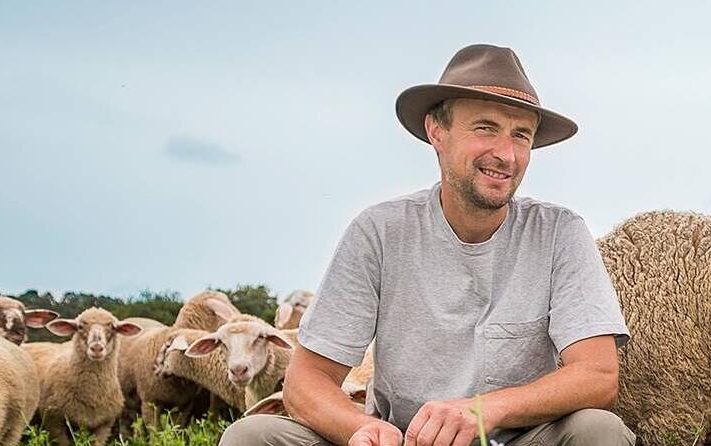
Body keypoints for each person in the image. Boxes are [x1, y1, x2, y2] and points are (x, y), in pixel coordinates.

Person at [220, 44, 635, 446]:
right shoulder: (379, 232)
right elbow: (307, 380)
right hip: (401, 440)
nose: (506, 154)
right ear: (437, 131)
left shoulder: (560, 233)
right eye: (485, 128)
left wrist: (486, 410)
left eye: (521, 135)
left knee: (599, 431)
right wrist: (358, 429)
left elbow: (597, 374)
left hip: (518, 439)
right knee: (250, 437)